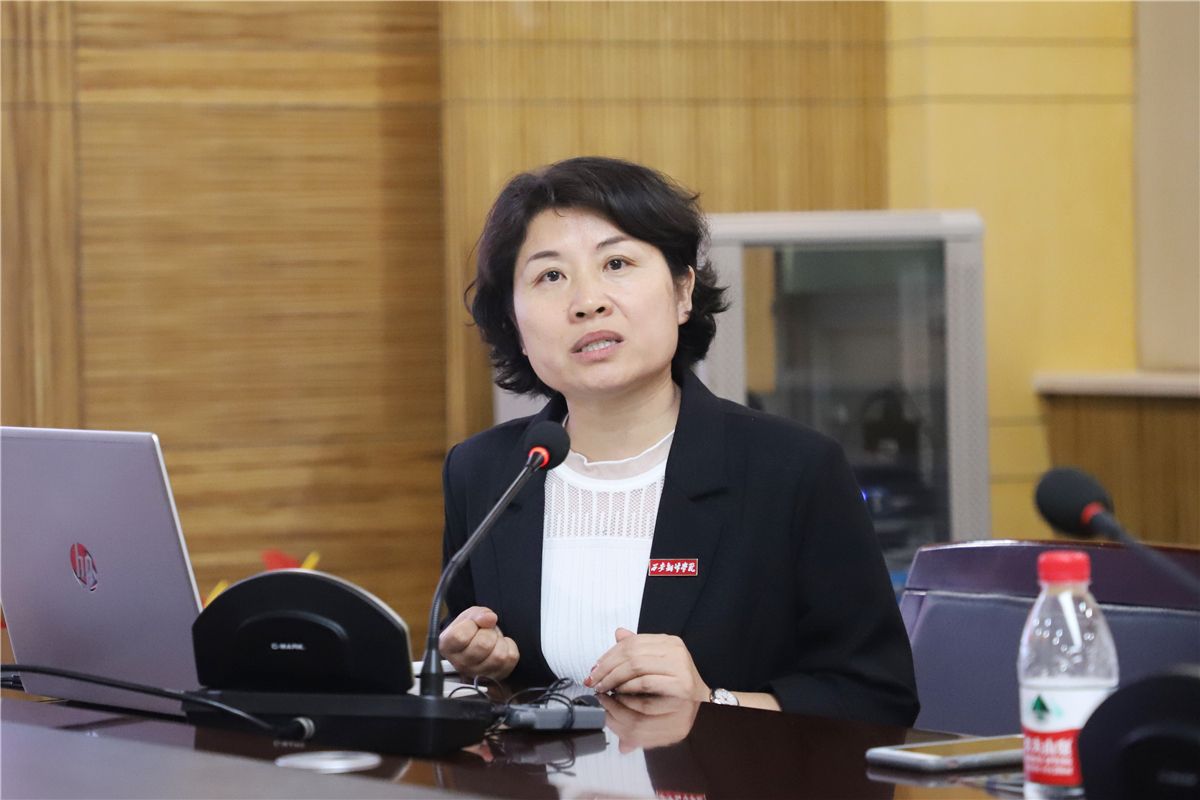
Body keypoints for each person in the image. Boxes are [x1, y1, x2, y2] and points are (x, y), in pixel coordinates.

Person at [438, 156, 919, 725]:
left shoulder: (793, 470)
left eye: (616, 263)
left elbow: (878, 701)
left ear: (682, 291)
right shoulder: (485, 472)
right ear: (515, 325)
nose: (587, 301)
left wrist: (713, 704)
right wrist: (479, 671)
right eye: (550, 276)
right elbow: (479, 686)